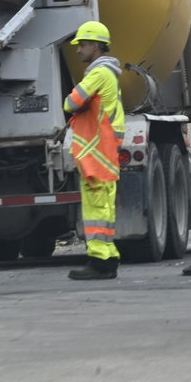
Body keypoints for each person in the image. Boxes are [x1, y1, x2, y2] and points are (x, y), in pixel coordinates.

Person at [62, 20, 124, 280]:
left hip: (96, 150)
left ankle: (98, 261)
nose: (78, 50)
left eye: (83, 44)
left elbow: (71, 102)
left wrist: (72, 103)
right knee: (105, 208)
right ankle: (108, 257)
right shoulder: (108, 73)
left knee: (96, 208)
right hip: (105, 150)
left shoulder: (98, 74)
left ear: (97, 47)